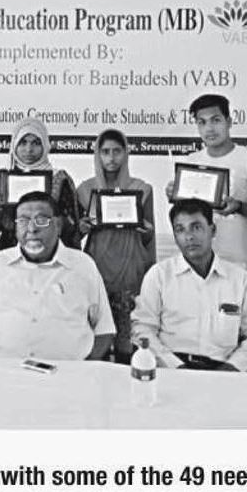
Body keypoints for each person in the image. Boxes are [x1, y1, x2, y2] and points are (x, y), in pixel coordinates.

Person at [0, 191, 114, 361]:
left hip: (69, 373)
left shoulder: (82, 266)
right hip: (1, 371)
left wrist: (86, 368)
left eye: (41, 220)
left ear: (58, 225)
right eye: (23, 221)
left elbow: (104, 329)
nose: (32, 229)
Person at [131, 198, 247, 371]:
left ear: (213, 230)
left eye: (196, 227)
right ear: (175, 236)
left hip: (225, 370)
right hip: (171, 368)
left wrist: (234, 366)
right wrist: (174, 365)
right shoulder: (159, 275)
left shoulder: (240, 280)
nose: (189, 236)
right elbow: (143, 328)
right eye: (180, 230)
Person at [77, 128, 156, 363]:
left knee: (127, 342)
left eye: (117, 151)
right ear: (97, 155)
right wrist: (81, 228)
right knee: (97, 338)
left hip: (130, 270)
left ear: (126, 153)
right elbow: (74, 237)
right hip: (97, 268)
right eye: (105, 152)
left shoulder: (142, 189)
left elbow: (149, 239)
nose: (111, 158)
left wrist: (147, 231)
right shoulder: (84, 190)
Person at [166, 94, 247, 277]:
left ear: (229, 122)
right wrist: (175, 197)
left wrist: (238, 206)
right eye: (202, 122)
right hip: (196, 266)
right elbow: (185, 216)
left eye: (216, 120)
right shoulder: (191, 163)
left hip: (238, 264)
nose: (209, 128)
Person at [0, 116, 81, 268]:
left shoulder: (59, 179)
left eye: (36, 143)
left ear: (45, 145)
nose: (29, 149)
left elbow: (70, 230)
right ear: (14, 144)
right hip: (9, 257)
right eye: (23, 142)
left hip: (50, 258)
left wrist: (52, 214)